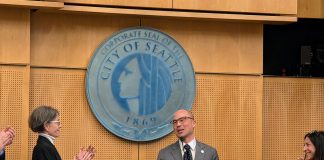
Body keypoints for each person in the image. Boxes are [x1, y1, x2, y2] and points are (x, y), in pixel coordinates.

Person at [29, 105, 95, 160]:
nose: (60, 126)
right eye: (58, 122)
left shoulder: (46, 146)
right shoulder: (42, 149)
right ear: (46, 126)